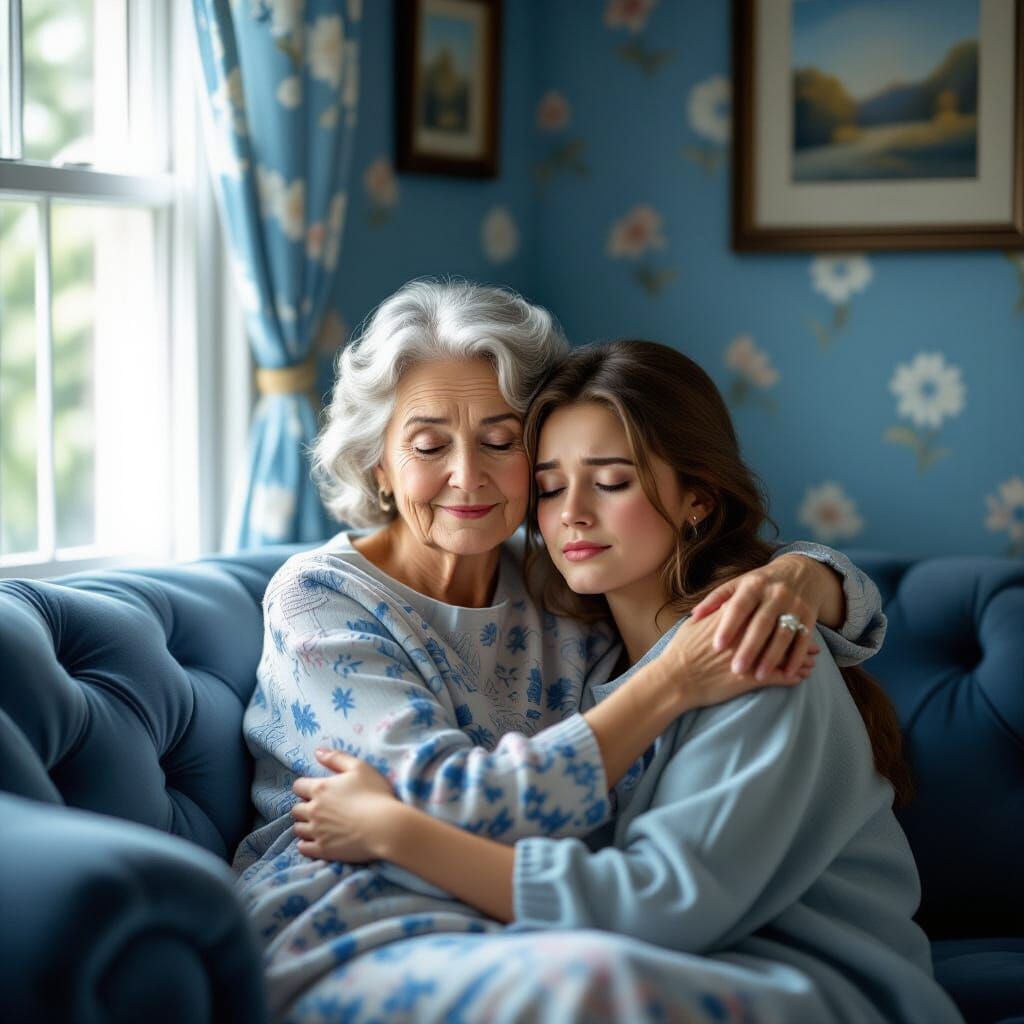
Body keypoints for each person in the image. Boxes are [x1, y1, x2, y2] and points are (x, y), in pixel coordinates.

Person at [232, 282, 887, 1020]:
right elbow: (447, 804)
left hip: (521, 925)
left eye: (502, 441)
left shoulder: (563, 582)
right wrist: (671, 682)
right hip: (355, 911)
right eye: (427, 444)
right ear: (377, 463)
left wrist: (807, 576)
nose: (467, 475)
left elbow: (716, 578)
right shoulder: (319, 597)